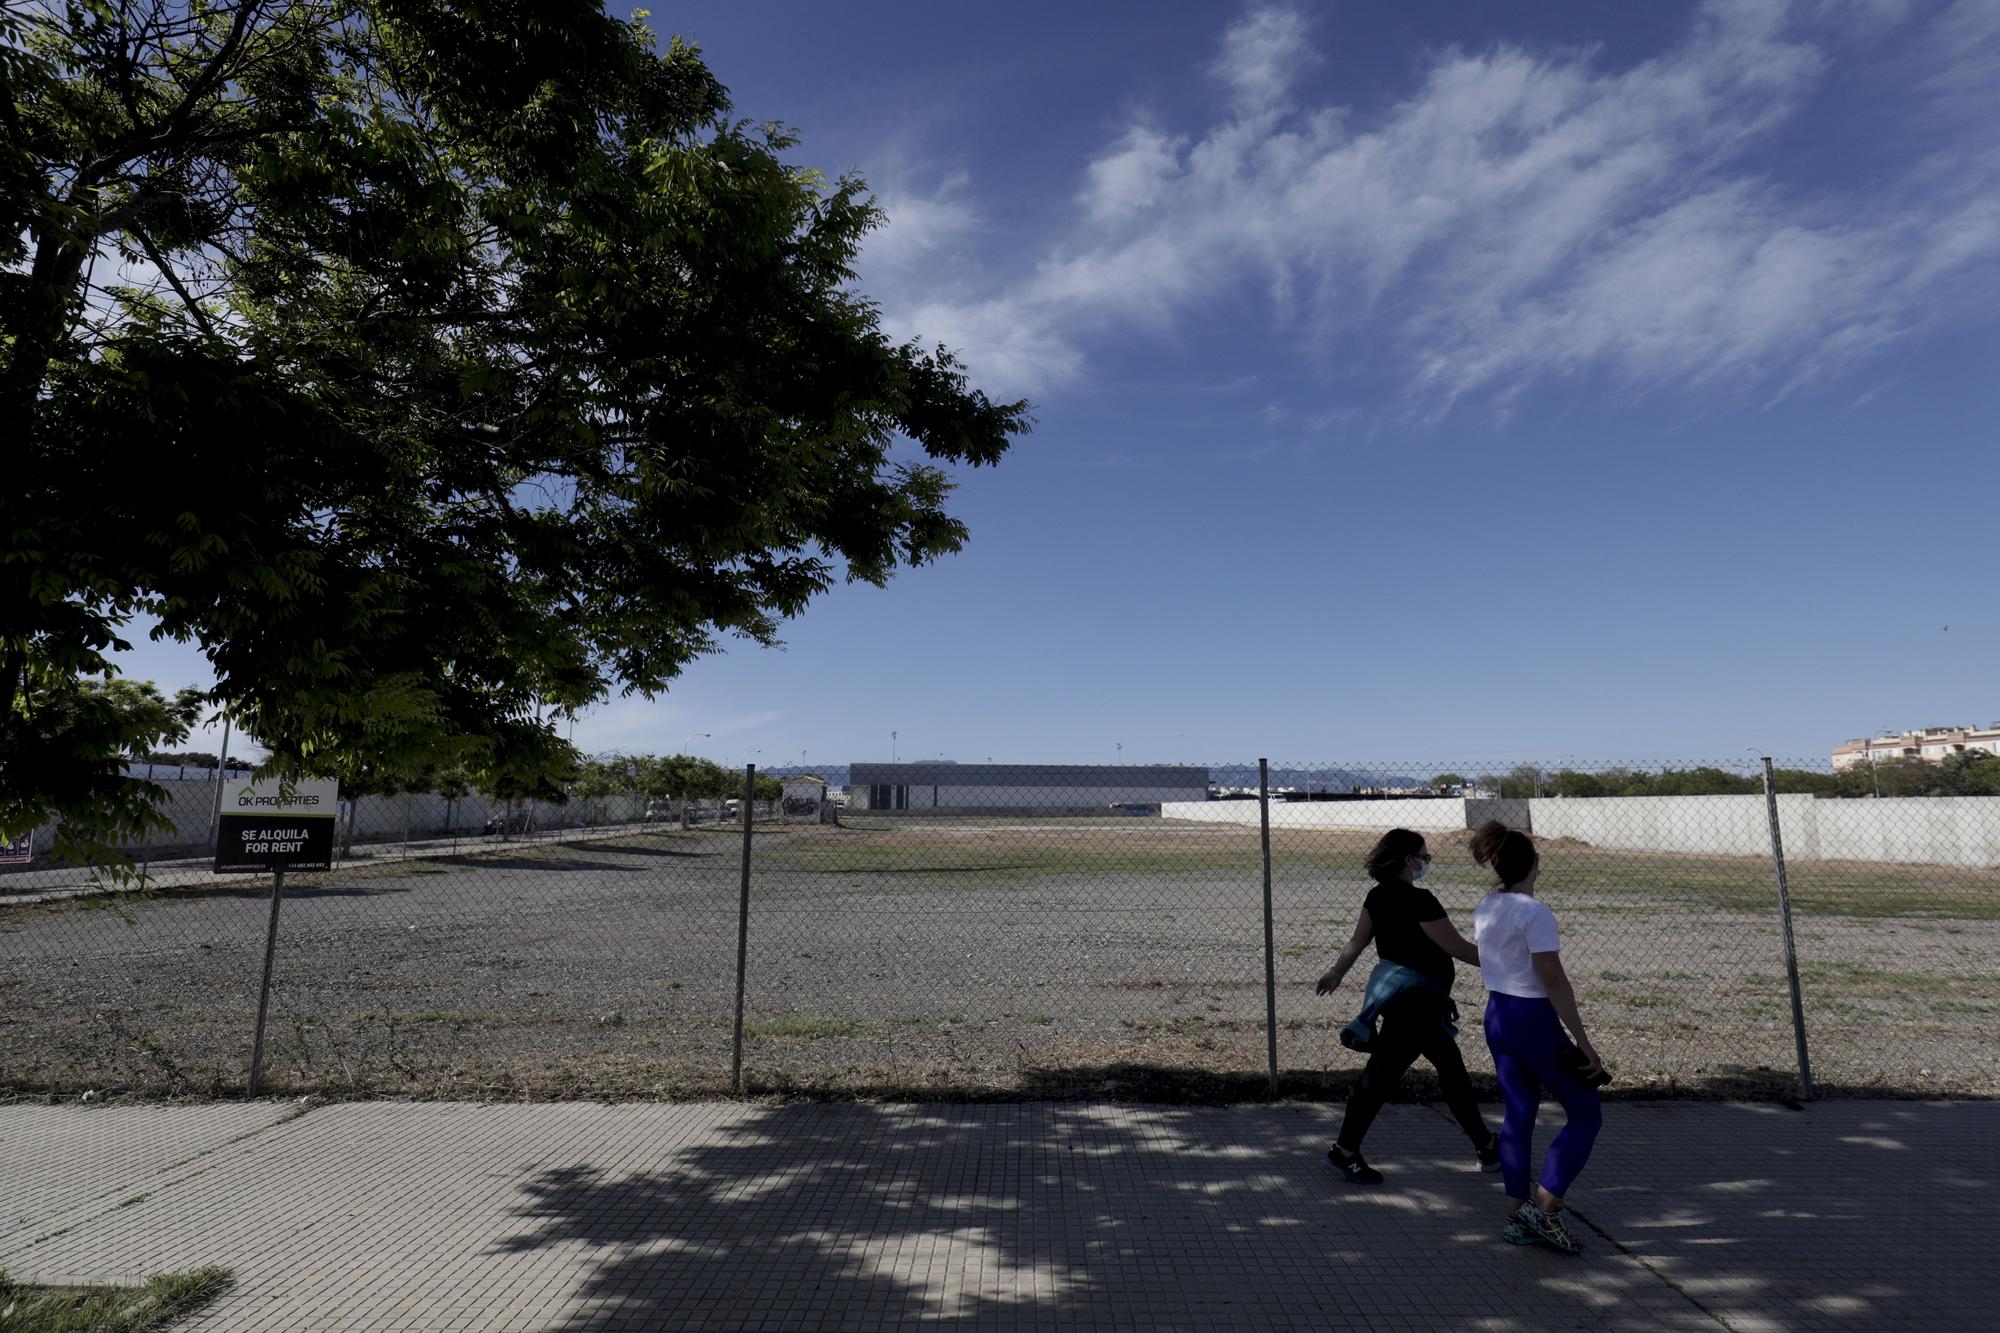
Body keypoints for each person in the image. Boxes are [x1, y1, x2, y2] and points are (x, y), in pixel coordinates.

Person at [1315, 828, 1497, 1183]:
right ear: (1407, 859)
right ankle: (1344, 1151)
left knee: (1449, 1072)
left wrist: (1336, 972)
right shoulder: (1421, 901)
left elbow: (1357, 940)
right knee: (1381, 1077)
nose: (1425, 863)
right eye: (1423, 857)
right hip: (1417, 1005)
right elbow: (1456, 947)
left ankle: (1487, 1147)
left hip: (1404, 1002)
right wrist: (1506, 964)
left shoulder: (1377, 896)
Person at [1470, 819, 1605, 1256]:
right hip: (1531, 1019)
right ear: (1534, 864)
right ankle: (1543, 1212)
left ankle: (1516, 1215)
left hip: (1498, 1016)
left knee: (1519, 1113)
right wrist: (1583, 1041)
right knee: (1586, 1114)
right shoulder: (1535, 913)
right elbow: (1552, 978)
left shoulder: (1488, 906)